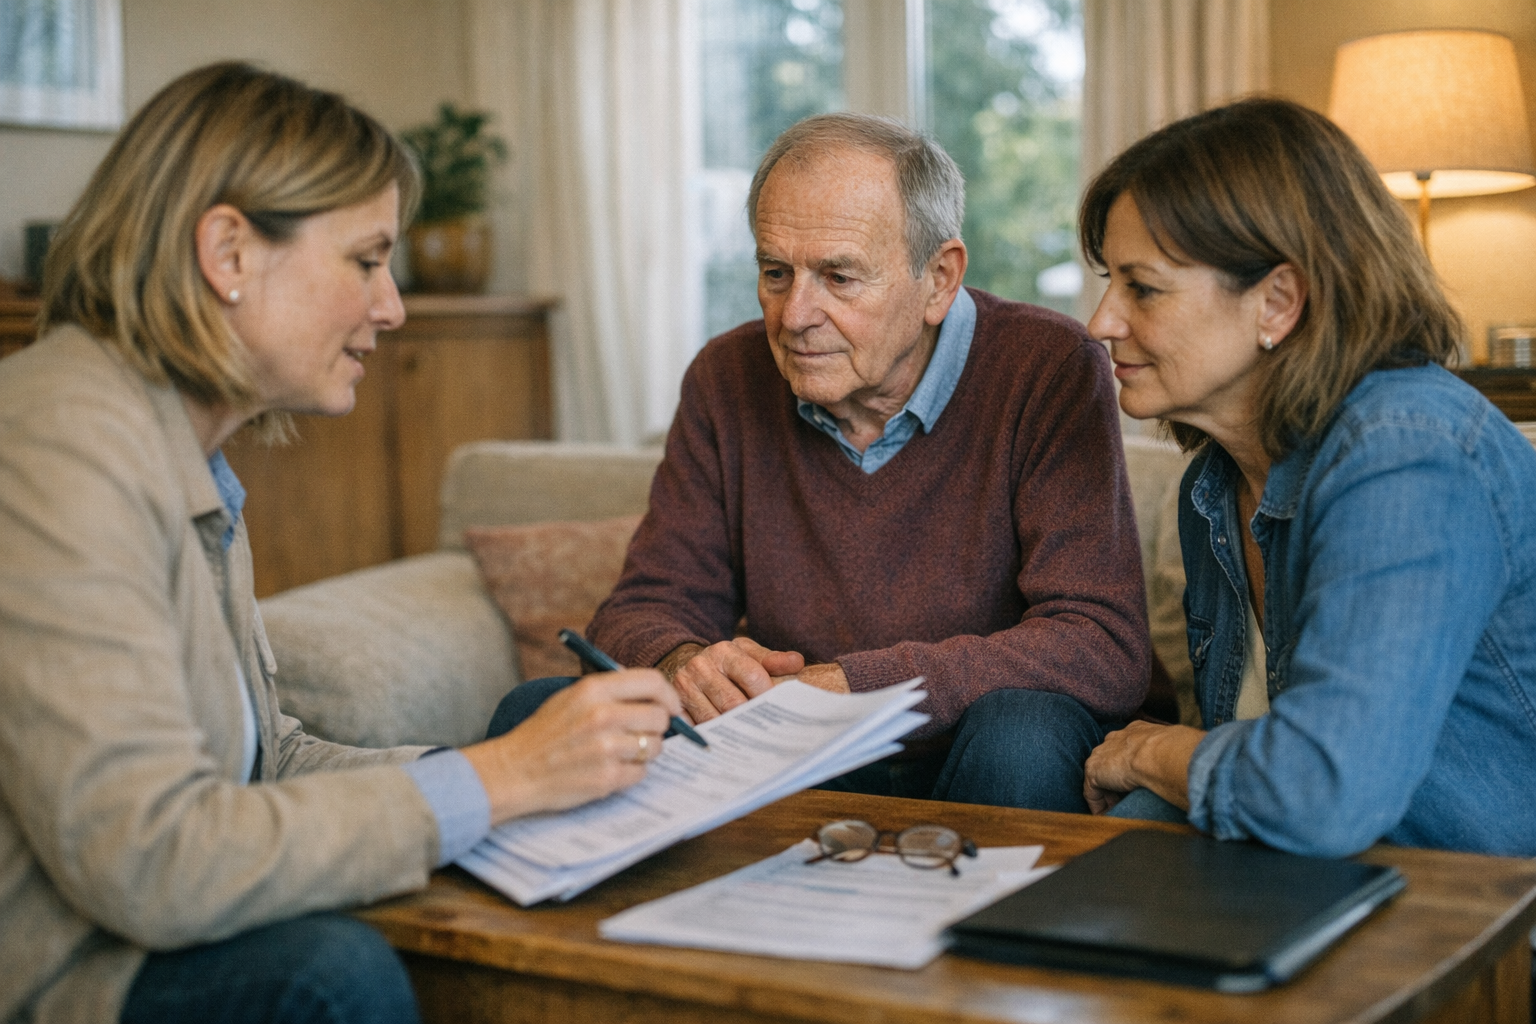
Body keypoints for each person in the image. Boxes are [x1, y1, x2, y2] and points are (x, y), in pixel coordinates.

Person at [0, 63, 681, 1024]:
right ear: (229, 251)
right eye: (366, 261)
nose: (393, 306)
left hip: (130, 936)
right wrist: (501, 779)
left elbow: (260, 763)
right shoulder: (60, 446)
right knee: (329, 975)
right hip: (62, 971)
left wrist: (518, 770)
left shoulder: (180, 450)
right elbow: (149, 860)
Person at [494, 113, 1151, 811]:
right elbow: (644, 606)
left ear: (939, 279)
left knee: (1019, 734)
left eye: (839, 277)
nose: (794, 314)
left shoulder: (1044, 368)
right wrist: (686, 663)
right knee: (535, 712)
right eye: (776, 272)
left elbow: (1100, 642)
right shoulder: (727, 377)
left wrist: (851, 688)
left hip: (973, 748)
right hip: (794, 753)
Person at [1077, 97, 1536, 861]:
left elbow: (1321, 792)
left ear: (1278, 302)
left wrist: (1152, 752)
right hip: (1326, 876)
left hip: (1482, 912)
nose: (1100, 322)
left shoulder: (1410, 455)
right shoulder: (1213, 491)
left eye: (1143, 288)